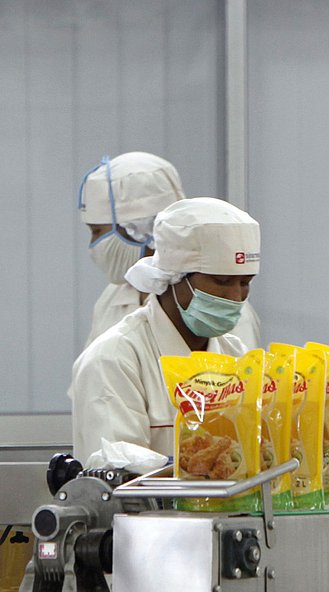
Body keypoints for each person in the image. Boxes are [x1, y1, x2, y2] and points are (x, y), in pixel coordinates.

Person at [71, 197, 260, 463]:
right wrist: (190, 468)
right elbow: (116, 466)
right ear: (174, 276)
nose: (235, 297)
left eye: (245, 283)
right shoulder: (115, 359)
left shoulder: (235, 354)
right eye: (222, 281)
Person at [78, 152, 262, 348]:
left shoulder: (215, 313)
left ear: (137, 229)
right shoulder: (111, 299)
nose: (93, 243)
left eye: (97, 231)